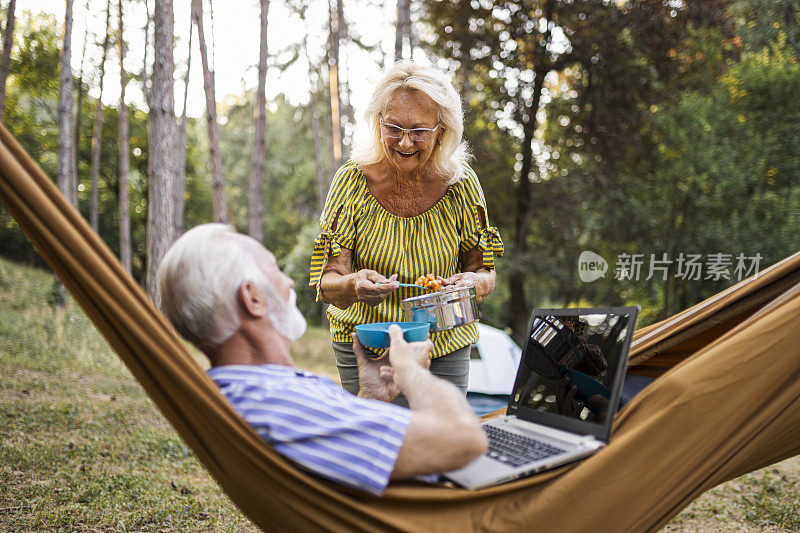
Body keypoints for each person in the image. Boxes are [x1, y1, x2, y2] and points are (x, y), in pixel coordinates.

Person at [157, 223, 488, 496]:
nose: (288, 281)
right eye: (275, 269)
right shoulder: (277, 403)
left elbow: (340, 454)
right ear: (253, 298)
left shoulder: (244, 391)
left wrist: (370, 396)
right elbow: (466, 439)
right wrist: (410, 373)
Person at [309, 60, 504, 403]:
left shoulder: (462, 186)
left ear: (441, 130)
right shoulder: (351, 183)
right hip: (367, 343)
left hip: (442, 341)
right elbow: (326, 283)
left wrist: (475, 283)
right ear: (377, 122)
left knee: (441, 445)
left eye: (419, 131)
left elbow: (484, 271)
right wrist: (353, 284)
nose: (404, 142)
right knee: (375, 443)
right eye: (393, 127)